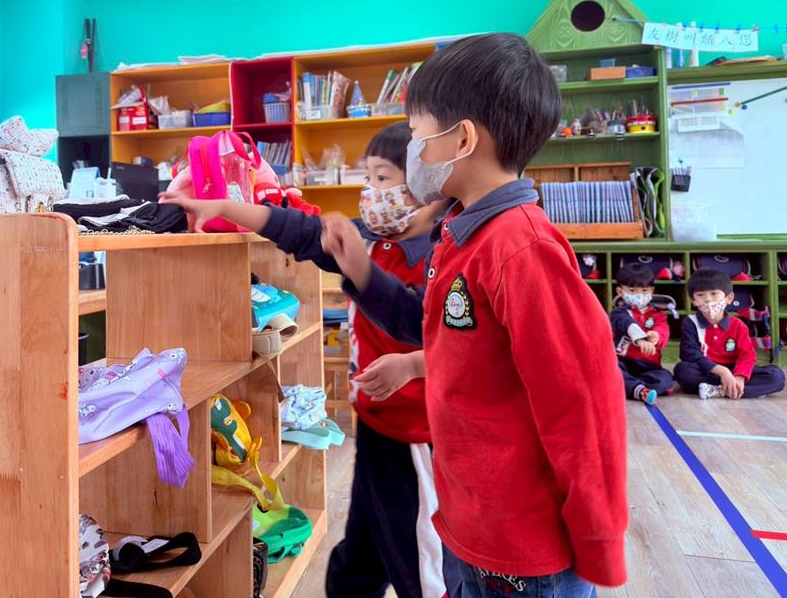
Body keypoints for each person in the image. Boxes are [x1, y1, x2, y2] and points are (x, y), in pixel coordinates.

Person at [320, 33, 627, 597]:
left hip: (527, 554)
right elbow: (473, 349)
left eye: (416, 132)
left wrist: (599, 541)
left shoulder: (521, 248)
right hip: (474, 524)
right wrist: (414, 362)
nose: (413, 152)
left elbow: (583, 402)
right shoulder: (464, 236)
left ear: (461, 139)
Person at [162, 122, 462, 598]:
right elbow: (298, 231)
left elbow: (455, 343)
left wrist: (411, 365)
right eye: (368, 177)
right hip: (376, 426)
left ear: (424, 188)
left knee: (422, 572)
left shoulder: (441, 258)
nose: (371, 192)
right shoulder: (369, 239)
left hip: (417, 438)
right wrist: (223, 206)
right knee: (357, 562)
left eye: (383, 179)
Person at [673, 268, 785, 399]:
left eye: (714, 293)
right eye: (700, 295)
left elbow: (747, 355)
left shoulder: (738, 325)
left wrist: (740, 377)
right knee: (682, 370)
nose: (708, 299)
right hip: (707, 370)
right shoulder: (691, 323)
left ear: (729, 298)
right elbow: (690, 354)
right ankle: (736, 390)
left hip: (734, 370)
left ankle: (719, 390)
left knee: (777, 376)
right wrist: (722, 372)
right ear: (693, 301)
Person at [610, 263, 674, 405]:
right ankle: (638, 389)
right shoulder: (618, 313)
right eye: (632, 290)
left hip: (649, 366)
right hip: (623, 361)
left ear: (651, 290)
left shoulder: (658, 314)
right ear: (620, 291)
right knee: (611, 369)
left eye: (644, 290)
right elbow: (627, 324)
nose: (639, 295)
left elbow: (663, 330)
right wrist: (640, 339)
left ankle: (632, 386)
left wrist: (656, 337)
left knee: (666, 379)